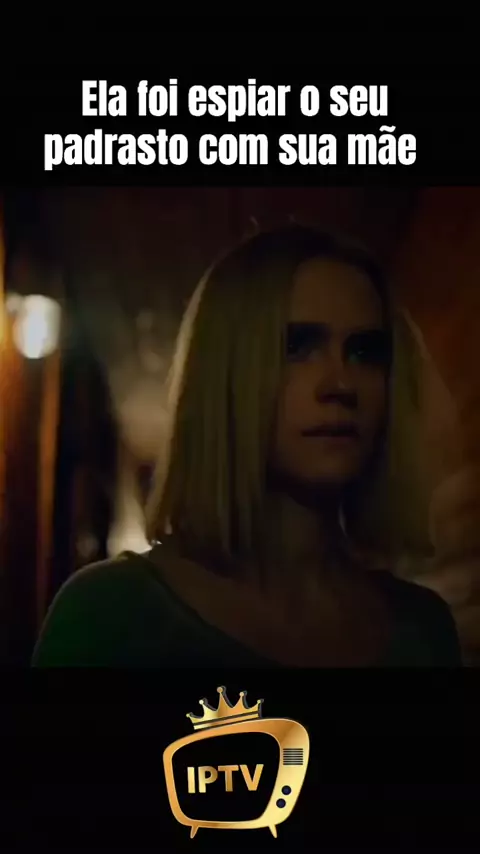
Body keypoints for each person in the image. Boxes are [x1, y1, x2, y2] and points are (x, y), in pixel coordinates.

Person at [32, 225, 462, 667]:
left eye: (364, 352)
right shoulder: (111, 615)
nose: (340, 384)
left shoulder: (422, 630)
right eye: (297, 346)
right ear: (227, 373)